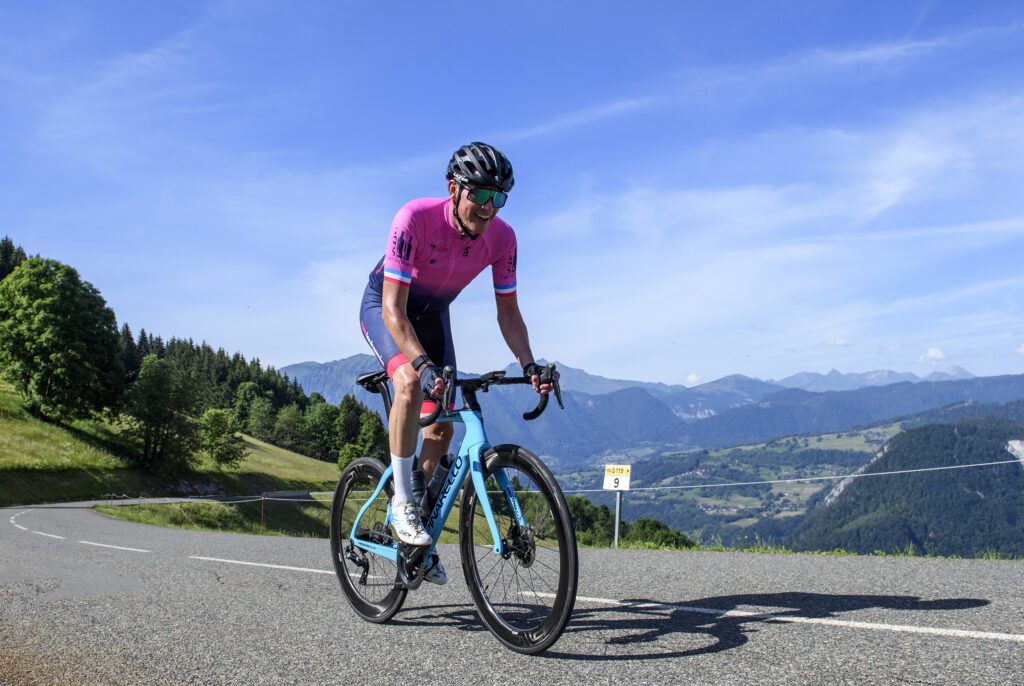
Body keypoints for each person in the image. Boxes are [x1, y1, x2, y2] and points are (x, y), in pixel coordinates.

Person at [359, 142, 555, 585]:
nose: (489, 208)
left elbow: (508, 313)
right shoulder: (415, 218)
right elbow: (393, 309)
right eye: (481, 196)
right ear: (453, 188)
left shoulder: (503, 239)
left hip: (433, 318)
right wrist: (423, 366)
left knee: (443, 427)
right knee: (410, 383)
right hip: (389, 307)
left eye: (498, 198)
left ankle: (421, 532)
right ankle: (402, 505)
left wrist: (529, 365)